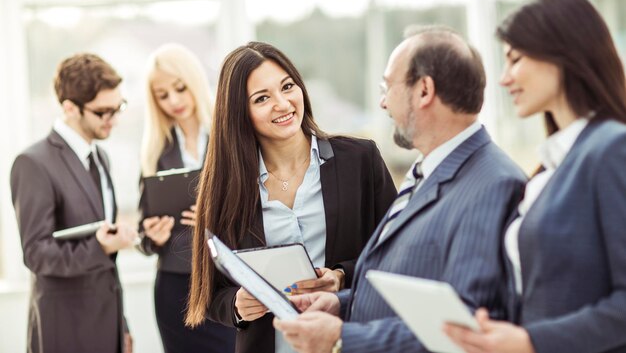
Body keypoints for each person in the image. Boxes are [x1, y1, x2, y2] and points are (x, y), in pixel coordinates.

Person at [273, 27, 527, 353]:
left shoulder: (493, 185)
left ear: (424, 91)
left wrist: (341, 338)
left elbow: (464, 327)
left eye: (387, 86)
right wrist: (342, 304)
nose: (382, 102)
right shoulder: (427, 169)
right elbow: (417, 290)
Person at [185, 41, 397, 353]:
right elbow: (210, 292)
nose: (283, 104)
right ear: (239, 113)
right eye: (262, 98)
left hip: (350, 340)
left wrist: (341, 276)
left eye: (287, 86)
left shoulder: (360, 160)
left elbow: (397, 253)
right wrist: (236, 305)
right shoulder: (224, 187)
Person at [444, 0, 626, 353]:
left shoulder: (611, 148)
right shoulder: (549, 168)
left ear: (562, 54)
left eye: (515, 59)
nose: (504, 78)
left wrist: (531, 341)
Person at [10, 53, 137, 353]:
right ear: (69, 108)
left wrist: (123, 325)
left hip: (108, 323)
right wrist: (101, 247)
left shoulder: (101, 156)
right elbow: (36, 253)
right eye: (104, 112)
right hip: (64, 329)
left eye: (118, 108)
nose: (114, 120)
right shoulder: (33, 163)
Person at [138, 43, 235, 353]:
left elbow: (257, 207)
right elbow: (143, 234)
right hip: (175, 287)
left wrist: (216, 220)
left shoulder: (229, 137)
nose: (174, 101)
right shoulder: (154, 151)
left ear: (193, 80)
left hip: (225, 283)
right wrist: (152, 235)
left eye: (180, 88)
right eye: (162, 95)